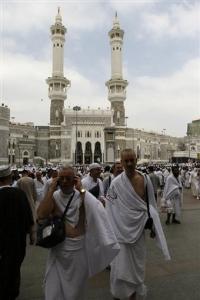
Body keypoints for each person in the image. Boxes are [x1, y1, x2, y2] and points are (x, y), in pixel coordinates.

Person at [37, 165, 120, 300]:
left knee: (75, 293)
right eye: (61, 178)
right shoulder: (55, 196)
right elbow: (41, 214)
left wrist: (81, 189)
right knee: (53, 292)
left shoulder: (83, 196)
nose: (64, 182)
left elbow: (95, 212)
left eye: (68, 178)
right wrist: (51, 189)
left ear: (74, 179)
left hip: (77, 252)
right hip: (59, 252)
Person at [106, 149, 170, 300]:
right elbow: (110, 209)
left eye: (131, 160)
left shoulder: (145, 179)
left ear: (136, 160)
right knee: (119, 267)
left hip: (139, 231)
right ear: (121, 162)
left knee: (137, 267)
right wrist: (111, 232)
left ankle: (132, 295)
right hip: (120, 234)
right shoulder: (115, 184)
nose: (129, 163)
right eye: (125, 161)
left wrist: (153, 226)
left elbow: (150, 204)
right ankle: (119, 295)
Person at [0, 165, 34, 300]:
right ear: (9, 178)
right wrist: (31, 233)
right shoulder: (19, 194)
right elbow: (28, 216)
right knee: (14, 268)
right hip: (17, 240)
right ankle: (11, 292)